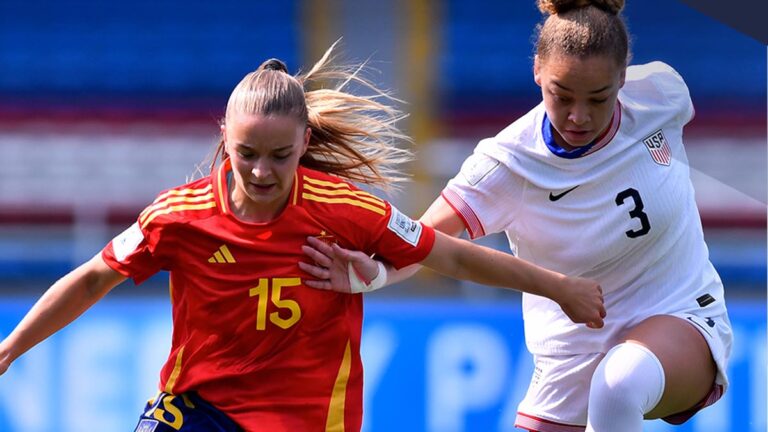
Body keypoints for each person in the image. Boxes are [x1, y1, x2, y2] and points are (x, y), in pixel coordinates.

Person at [0, 43, 605, 432]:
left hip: (311, 420)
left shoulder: (344, 209)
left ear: (305, 146)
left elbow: (444, 252)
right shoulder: (178, 217)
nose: (261, 172)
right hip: (200, 409)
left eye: (279, 156)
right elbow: (93, 277)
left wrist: (557, 287)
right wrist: (7, 350)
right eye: (246, 155)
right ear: (224, 139)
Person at [300, 1, 733, 431]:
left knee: (618, 385)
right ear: (537, 72)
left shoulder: (662, 92)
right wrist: (374, 273)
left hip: (682, 314)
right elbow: (425, 241)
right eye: (561, 96)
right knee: (606, 383)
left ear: (622, 78)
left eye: (599, 99)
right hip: (571, 356)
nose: (578, 116)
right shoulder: (506, 164)